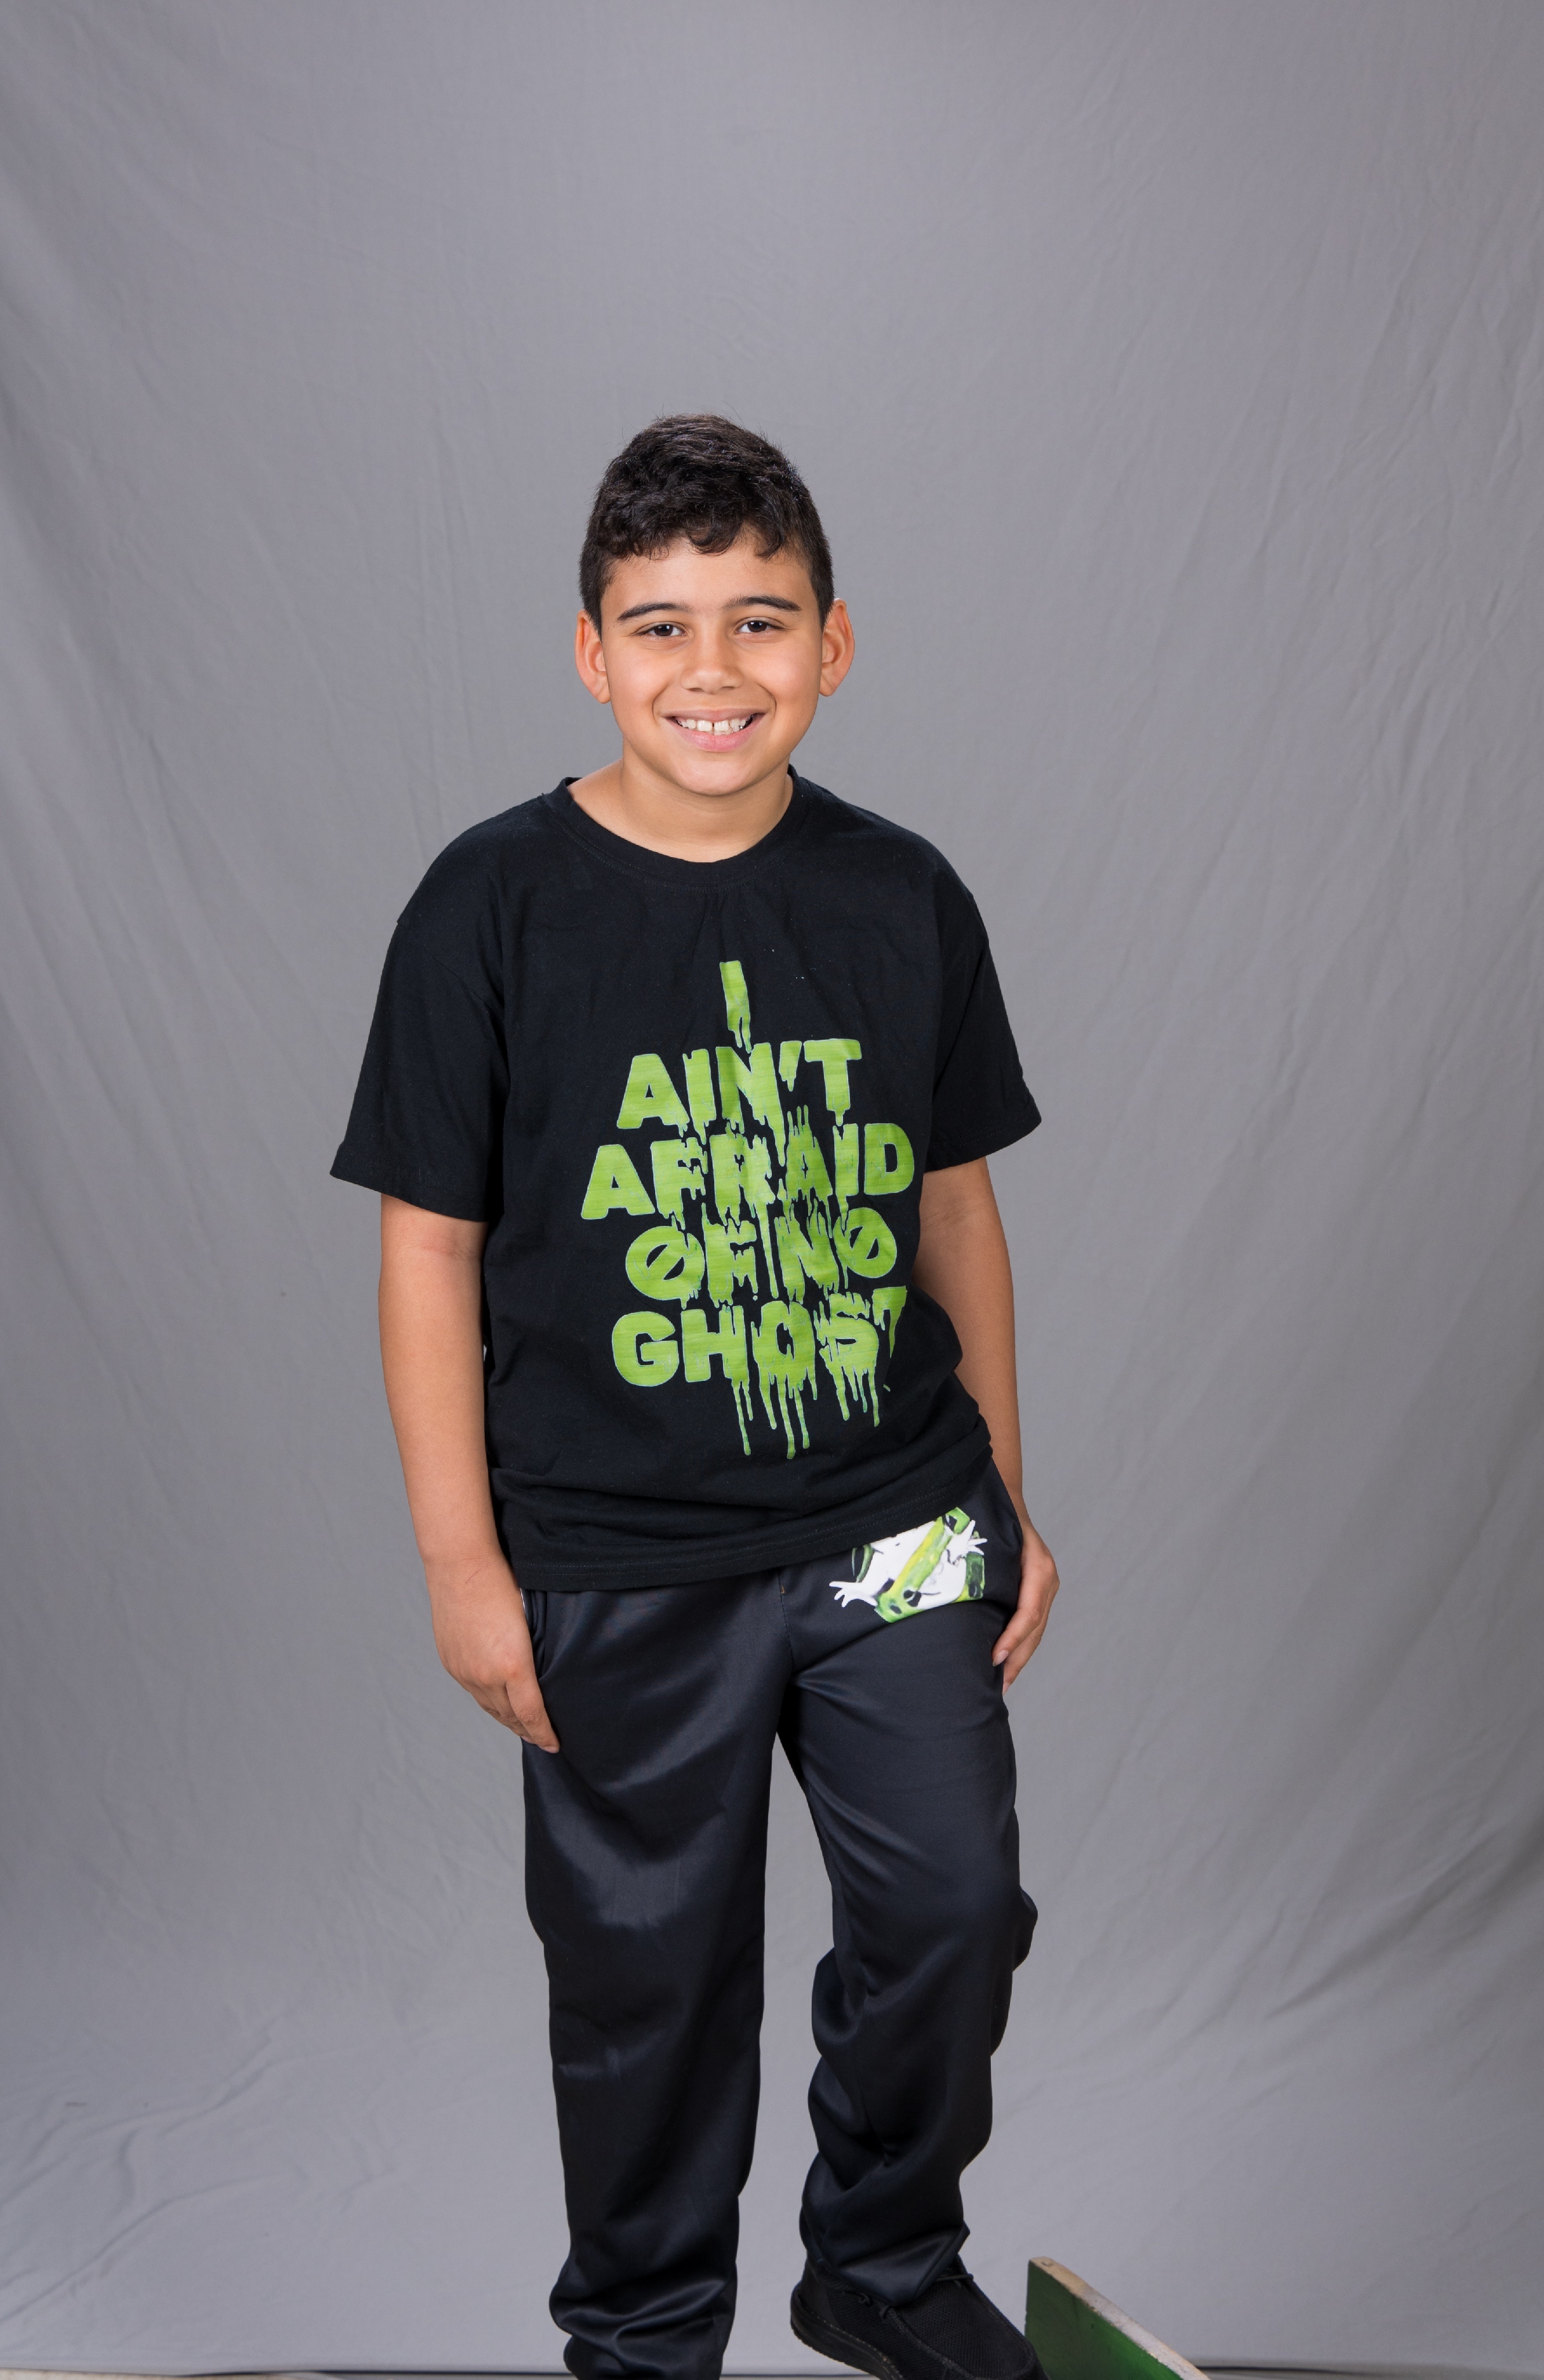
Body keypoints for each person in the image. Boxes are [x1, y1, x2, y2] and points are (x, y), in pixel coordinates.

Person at [332, 415, 1060, 2380]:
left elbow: (955, 1212)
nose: (713, 669)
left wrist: (1007, 1491)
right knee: (645, 1982)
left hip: (896, 1518)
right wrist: (460, 1561)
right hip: (611, 1550)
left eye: (762, 620)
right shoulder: (489, 905)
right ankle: (648, 2335)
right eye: (661, 627)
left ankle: (881, 2265)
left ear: (837, 642)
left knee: (958, 1904)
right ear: (593, 653)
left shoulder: (903, 894)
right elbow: (427, 1252)